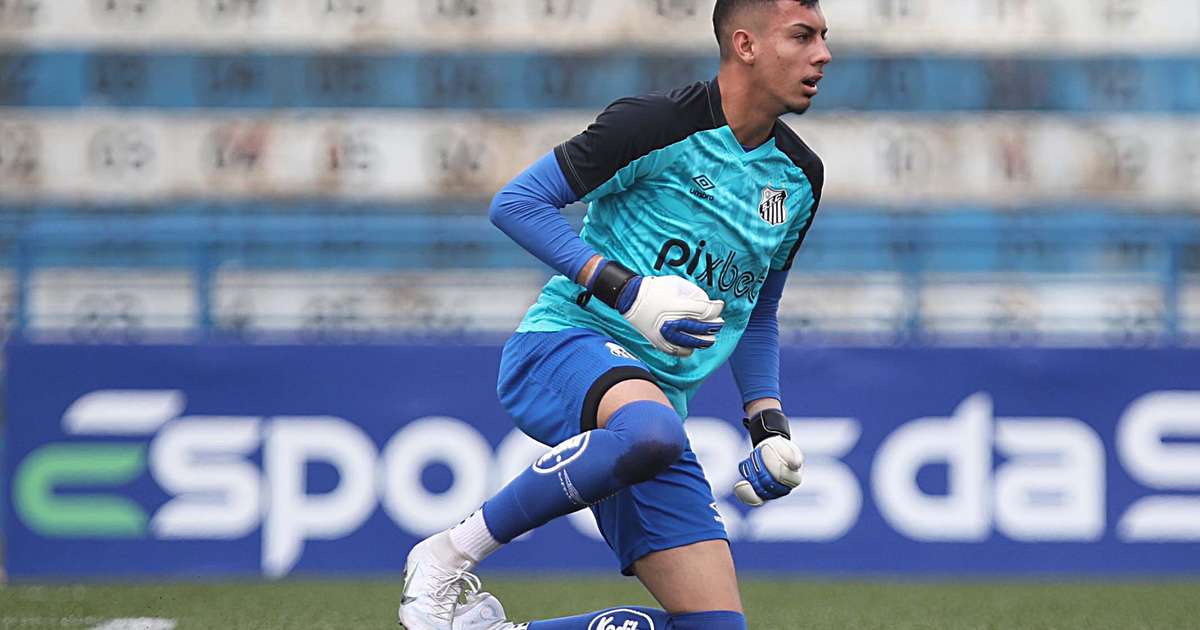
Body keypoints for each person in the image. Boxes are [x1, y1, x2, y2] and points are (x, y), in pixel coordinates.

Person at [399, 1, 830, 628]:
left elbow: (758, 313)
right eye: (803, 36)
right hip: (568, 342)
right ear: (745, 45)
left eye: (823, 37)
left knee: (715, 627)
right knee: (651, 434)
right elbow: (517, 203)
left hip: (649, 413)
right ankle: (446, 555)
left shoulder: (800, 179)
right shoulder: (658, 123)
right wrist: (625, 290)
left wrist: (769, 427)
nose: (823, 53)